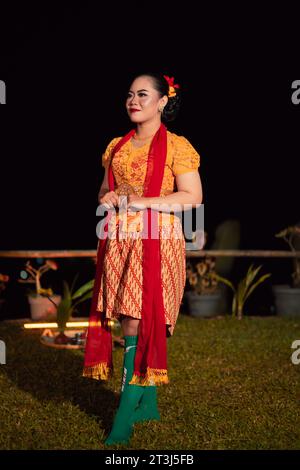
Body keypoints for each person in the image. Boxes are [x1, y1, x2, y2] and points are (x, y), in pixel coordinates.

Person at [82, 72, 203, 446]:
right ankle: (147, 403)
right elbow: (106, 189)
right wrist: (107, 199)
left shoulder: (178, 146)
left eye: (143, 94)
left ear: (163, 101)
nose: (133, 100)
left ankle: (123, 415)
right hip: (119, 239)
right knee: (127, 317)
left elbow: (192, 197)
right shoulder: (116, 146)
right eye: (130, 95)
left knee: (138, 318)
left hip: (158, 239)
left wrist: (145, 203)